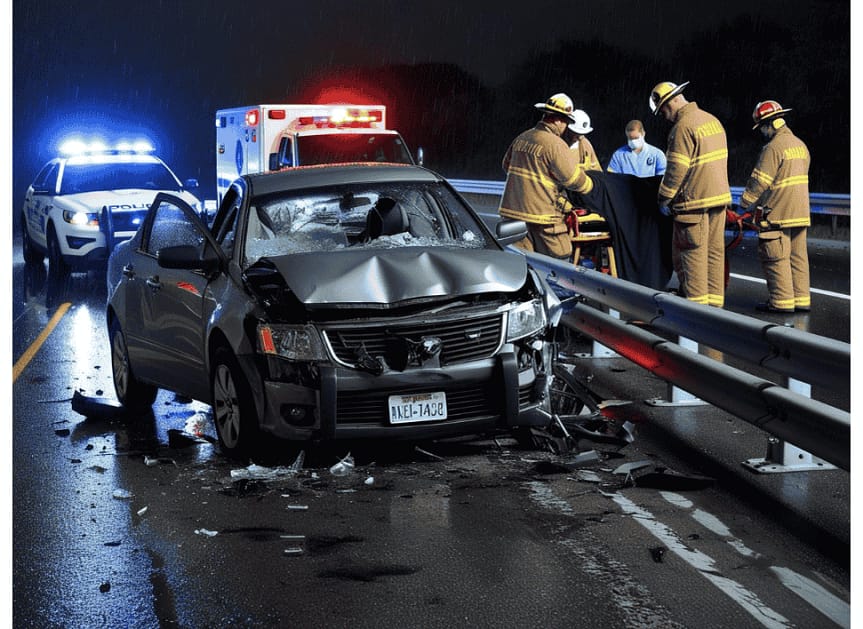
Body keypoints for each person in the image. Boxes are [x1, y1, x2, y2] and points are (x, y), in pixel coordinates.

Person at [650, 81, 731, 307]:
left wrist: (663, 198)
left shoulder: (682, 128)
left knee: (692, 256)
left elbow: (676, 171)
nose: (665, 116)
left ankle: (696, 312)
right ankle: (715, 308)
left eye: (663, 110)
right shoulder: (712, 121)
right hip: (718, 200)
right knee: (714, 254)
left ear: (672, 101)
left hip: (693, 204)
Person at [499, 93, 595, 260]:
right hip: (541, 215)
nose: (567, 127)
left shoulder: (522, 137)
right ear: (557, 120)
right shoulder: (555, 144)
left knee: (521, 259)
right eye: (566, 121)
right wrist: (592, 186)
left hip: (512, 212)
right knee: (560, 257)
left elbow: (506, 165)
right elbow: (573, 179)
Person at [739, 100, 811, 313]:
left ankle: (781, 302)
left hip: (778, 214)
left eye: (762, 127)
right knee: (797, 257)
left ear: (769, 124)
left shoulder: (773, 148)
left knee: (775, 256)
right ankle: (801, 299)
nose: (762, 132)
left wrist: (744, 204)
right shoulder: (800, 145)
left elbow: (759, 181)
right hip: (800, 212)